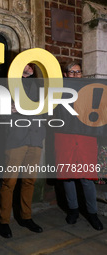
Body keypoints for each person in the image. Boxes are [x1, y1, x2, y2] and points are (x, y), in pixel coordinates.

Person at [0, 63, 45, 238]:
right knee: (9, 182)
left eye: (32, 64)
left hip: (35, 138)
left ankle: (26, 217)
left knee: (29, 181)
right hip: (15, 139)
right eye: (27, 63)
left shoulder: (40, 85)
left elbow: (48, 109)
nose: (30, 66)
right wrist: (7, 108)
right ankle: (3, 221)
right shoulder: (6, 83)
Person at [54, 60, 103, 230]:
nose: (76, 75)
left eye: (78, 72)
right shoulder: (58, 91)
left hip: (86, 138)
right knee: (68, 177)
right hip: (65, 137)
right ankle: (73, 210)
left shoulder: (91, 90)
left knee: (87, 178)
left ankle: (92, 213)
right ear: (66, 75)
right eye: (72, 72)